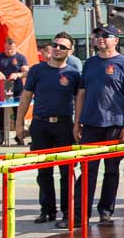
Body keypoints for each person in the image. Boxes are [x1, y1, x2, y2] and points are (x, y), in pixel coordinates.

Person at [66, 25, 124, 228]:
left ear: (116, 40)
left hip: (115, 124)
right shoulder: (90, 63)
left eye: (106, 36)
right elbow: (81, 94)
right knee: (87, 169)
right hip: (91, 124)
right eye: (98, 35)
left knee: (112, 170)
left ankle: (106, 210)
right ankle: (80, 215)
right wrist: (77, 122)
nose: (101, 38)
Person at [15, 32, 81, 225]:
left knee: (66, 171)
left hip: (64, 125)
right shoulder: (37, 70)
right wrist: (19, 124)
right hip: (40, 124)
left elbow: (79, 101)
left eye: (63, 47)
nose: (57, 49)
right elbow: (26, 97)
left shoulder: (74, 74)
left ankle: (67, 212)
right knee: (43, 171)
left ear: (70, 51)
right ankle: (47, 210)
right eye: (55, 45)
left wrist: (77, 125)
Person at [0, 37, 29, 146]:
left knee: (18, 114)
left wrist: (18, 74)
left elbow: (26, 71)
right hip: (3, 87)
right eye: (8, 49)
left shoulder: (20, 57)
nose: (11, 51)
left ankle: (20, 137)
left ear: (15, 47)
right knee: (0, 113)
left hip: (17, 88)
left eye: (13, 49)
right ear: (4, 47)